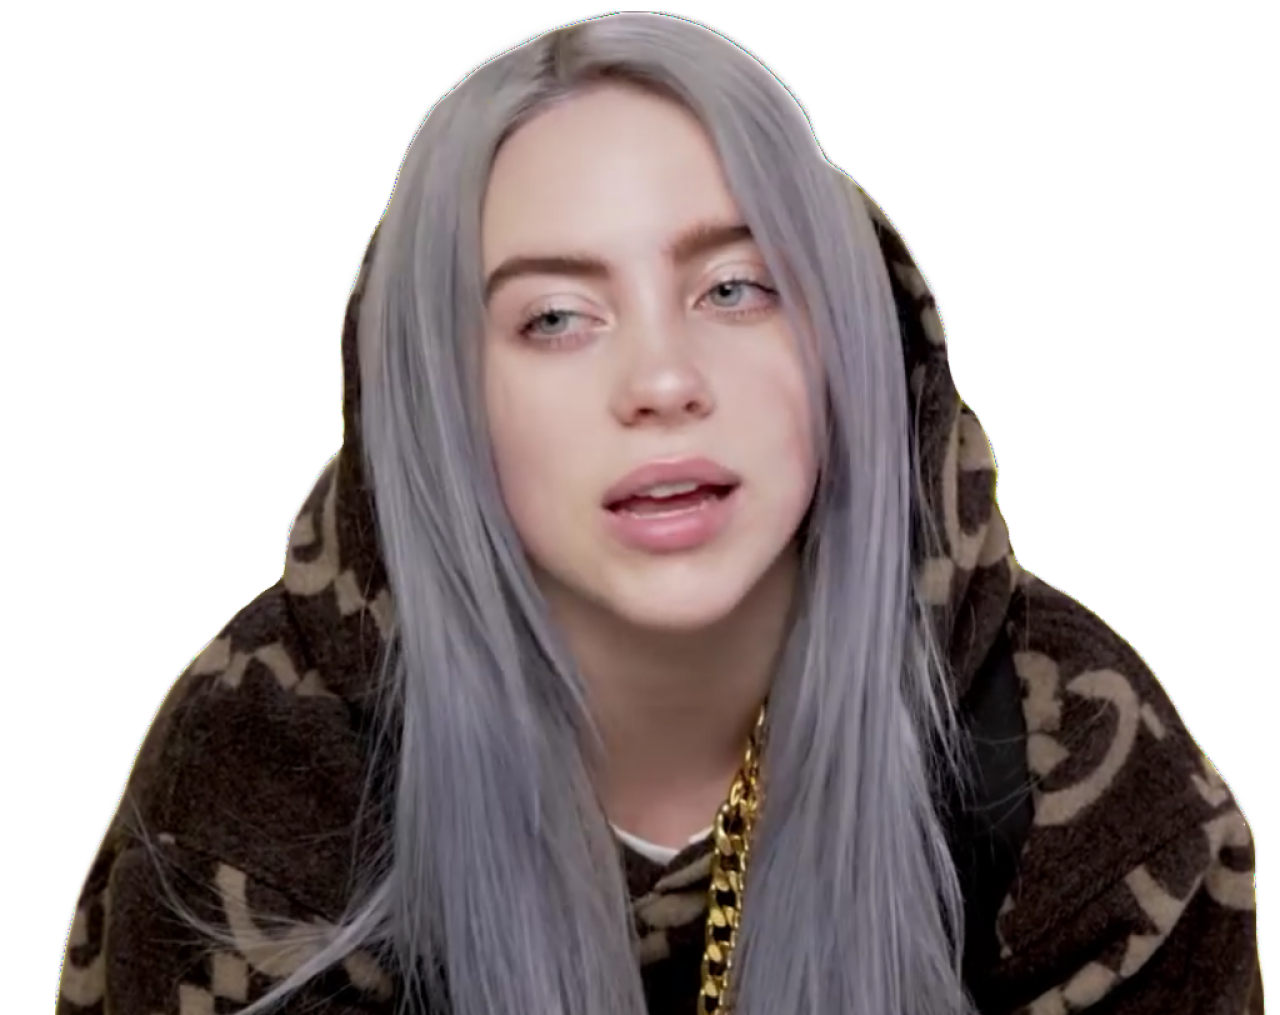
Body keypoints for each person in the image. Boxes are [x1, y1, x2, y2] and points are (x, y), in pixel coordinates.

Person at [55, 13, 1262, 1015]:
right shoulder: (253, 766)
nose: (663, 380)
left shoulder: (1079, 770)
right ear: (440, 403)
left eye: (734, 288)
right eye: (553, 318)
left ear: (844, 339)